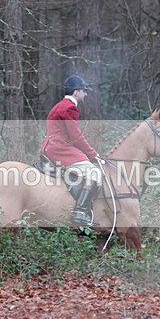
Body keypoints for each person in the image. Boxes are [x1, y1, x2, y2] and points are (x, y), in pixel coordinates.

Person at [40, 75, 103, 227]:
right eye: (83, 91)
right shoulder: (70, 108)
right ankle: (80, 211)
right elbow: (76, 137)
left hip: (49, 147)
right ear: (76, 92)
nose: (85, 94)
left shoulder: (58, 105)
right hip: (60, 149)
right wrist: (93, 155)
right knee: (94, 173)